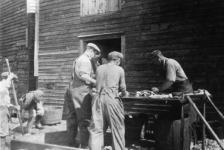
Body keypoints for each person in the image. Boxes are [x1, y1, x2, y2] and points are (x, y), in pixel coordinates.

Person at [89, 51, 129, 150]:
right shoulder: (120, 69)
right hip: (112, 99)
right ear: (118, 60)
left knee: (97, 128)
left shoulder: (99, 68)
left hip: (98, 100)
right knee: (117, 128)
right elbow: (123, 87)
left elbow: (95, 83)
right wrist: (124, 93)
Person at [64, 43, 101, 148]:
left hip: (72, 89)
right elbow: (83, 75)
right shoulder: (85, 60)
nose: (95, 56)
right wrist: (96, 82)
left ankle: (71, 143)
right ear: (91, 50)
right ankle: (85, 145)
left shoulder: (79, 59)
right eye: (95, 53)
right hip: (80, 91)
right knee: (84, 118)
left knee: (72, 117)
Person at [149, 50, 196, 123]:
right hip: (178, 89)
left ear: (158, 58)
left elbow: (170, 80)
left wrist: (159, 89)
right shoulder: (164, 64)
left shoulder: (170, 63)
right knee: (177, 113)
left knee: (184, 113)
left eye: (154, 61)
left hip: (184, 89)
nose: (154, 63)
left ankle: (187, 131)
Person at [0, 72, 20, 149]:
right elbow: (2, 90)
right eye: (14, 81)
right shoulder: (1, 85)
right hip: (0, 110)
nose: (14, 84)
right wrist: (9, 78)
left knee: (4, 130)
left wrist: (14, 107)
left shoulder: (6, 89)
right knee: (2, 132)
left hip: (4, 109)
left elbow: (6, 103)